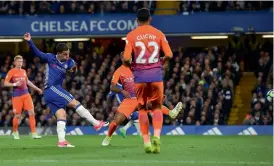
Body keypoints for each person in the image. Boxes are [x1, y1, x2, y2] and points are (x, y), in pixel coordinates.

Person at [24, 33, 108, 147]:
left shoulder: (70, 61)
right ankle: (96, 123)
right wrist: (30, 41)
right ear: (58, 54)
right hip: (51, 88)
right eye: (65, 54)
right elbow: (38, 53)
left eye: (68, 53)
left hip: (53, 92)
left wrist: (73, 70)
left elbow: (73, 70)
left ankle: (61, 141)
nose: (67, 56)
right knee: (75, 103)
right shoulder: (50, 58)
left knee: (62, 114)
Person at [102, 53, 182, 146]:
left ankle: (171, 113)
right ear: (121, 59)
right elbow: (112, 87)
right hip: (130, 100)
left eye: (130, 57)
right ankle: (108, 137)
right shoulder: (119, 71)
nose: (129, 59)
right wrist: (122, 91)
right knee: (117, 121)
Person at [123, 8, 173, 153]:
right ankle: (157, 136)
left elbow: (126, 58)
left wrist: (130, 65)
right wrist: (161, 62)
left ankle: (146, 141)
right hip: (156, 76)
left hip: (140, 77)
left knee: (142, 109)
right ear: (150, 19)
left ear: (136, 20)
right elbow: (169, 54)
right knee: (157, 107)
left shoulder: (131, 36)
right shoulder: (159, 33)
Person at [4, 55, 42, 140]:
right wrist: (14, 84)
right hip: (17, 96)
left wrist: (37, 89)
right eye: (18, 61)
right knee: (17, 115)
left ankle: (34, 133)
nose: (20, 63)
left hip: (26, 94)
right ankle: (15, 131)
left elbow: (27, 81)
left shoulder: (24, 71)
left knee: (31, 112)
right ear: (15, 62)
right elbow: (5, 83)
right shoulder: (11, 71)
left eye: (21, 61)